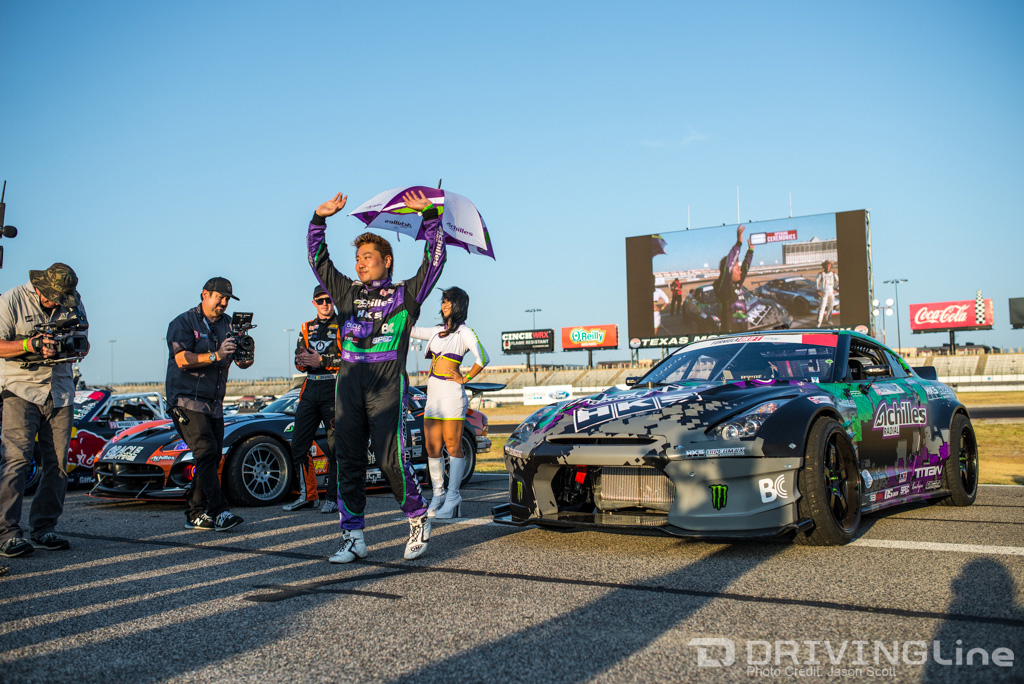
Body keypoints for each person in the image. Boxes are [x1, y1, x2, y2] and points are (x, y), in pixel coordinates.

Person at [308, 190, 446, 563]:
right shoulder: (346, 292)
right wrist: (318, 221)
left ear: (387, 260)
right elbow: (318, 261)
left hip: (387, 388)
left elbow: (435, 260)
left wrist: (431, 216)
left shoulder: (406, 294)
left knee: (390, 461)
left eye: (367, 257)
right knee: (348, 462)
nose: (360, 263)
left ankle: (418, 519)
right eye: (357, 258)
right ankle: (353, 536)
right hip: (348, 387)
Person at [0, 263, 89, 558]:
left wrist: (75, 348)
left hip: (60, 392)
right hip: (20, 389)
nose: (61, 304)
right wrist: (32, 343)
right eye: (56, 299)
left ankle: (43, 528)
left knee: (59, 465)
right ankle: (7, 533)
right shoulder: (12, 299)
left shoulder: (72, 301)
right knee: (17, 460)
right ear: (40, 289)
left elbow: (84, 341)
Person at [165, 277, 252, 532]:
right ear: (204, 294)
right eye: (219, 297)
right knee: (205, 451)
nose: (223, 303)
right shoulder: (183, 322)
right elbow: (181, 359)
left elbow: (242, 364)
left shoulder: (228, 325)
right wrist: (216, 354)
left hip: (214, 403)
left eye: (227, 299)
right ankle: (220, 511)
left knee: (211, 458)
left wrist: (245, 355)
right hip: (186, 400)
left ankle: (194, 513)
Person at [410, 287, 489, 519]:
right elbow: (410, 330)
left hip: (453, 395)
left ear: (459, 306)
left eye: (449, 302)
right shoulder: (436, 331)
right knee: (432, 447)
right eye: (443, 301)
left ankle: (453, 496)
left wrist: (465, 378)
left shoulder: (464, 332)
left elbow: (483, 357)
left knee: (453, 445)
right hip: (433, 396)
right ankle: (438, 494)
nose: (445, 305)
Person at [282, 285, 342, 514]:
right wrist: (303, 361)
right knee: (298, 444)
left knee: (336, 446)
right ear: (314, 303)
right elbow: (299, 360)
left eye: (328, 299)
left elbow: (349, 357)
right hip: (310, 388)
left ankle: (334, 497)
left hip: (334, 386)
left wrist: (322, 361)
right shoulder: (306, 327)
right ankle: (309, 495)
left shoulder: (344, 324)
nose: (325, 304)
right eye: (320, 300)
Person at [713, 224, 755, 333]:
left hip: (744, 332)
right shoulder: (722, 288)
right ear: (730, 271)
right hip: (731, 336)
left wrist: (750, 250)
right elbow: (728, 267)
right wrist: (738, 243)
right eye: (737, 269)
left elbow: (745, 269)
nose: (740, 271)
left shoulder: (736, 284)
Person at [816, 260, 839, 327]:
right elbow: (816, 283)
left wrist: (836, 289)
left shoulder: (833, 273)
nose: (828, 266)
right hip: (824, 292)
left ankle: (828, 319)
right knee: (822, 307)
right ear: (824, 266)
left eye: (829, 265)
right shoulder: (821, 274)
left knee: (830, 306)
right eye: (827, 265)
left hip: (831, 292)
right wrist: (818, 291)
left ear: (831, 266)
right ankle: (819, 322)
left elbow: (837, 282)